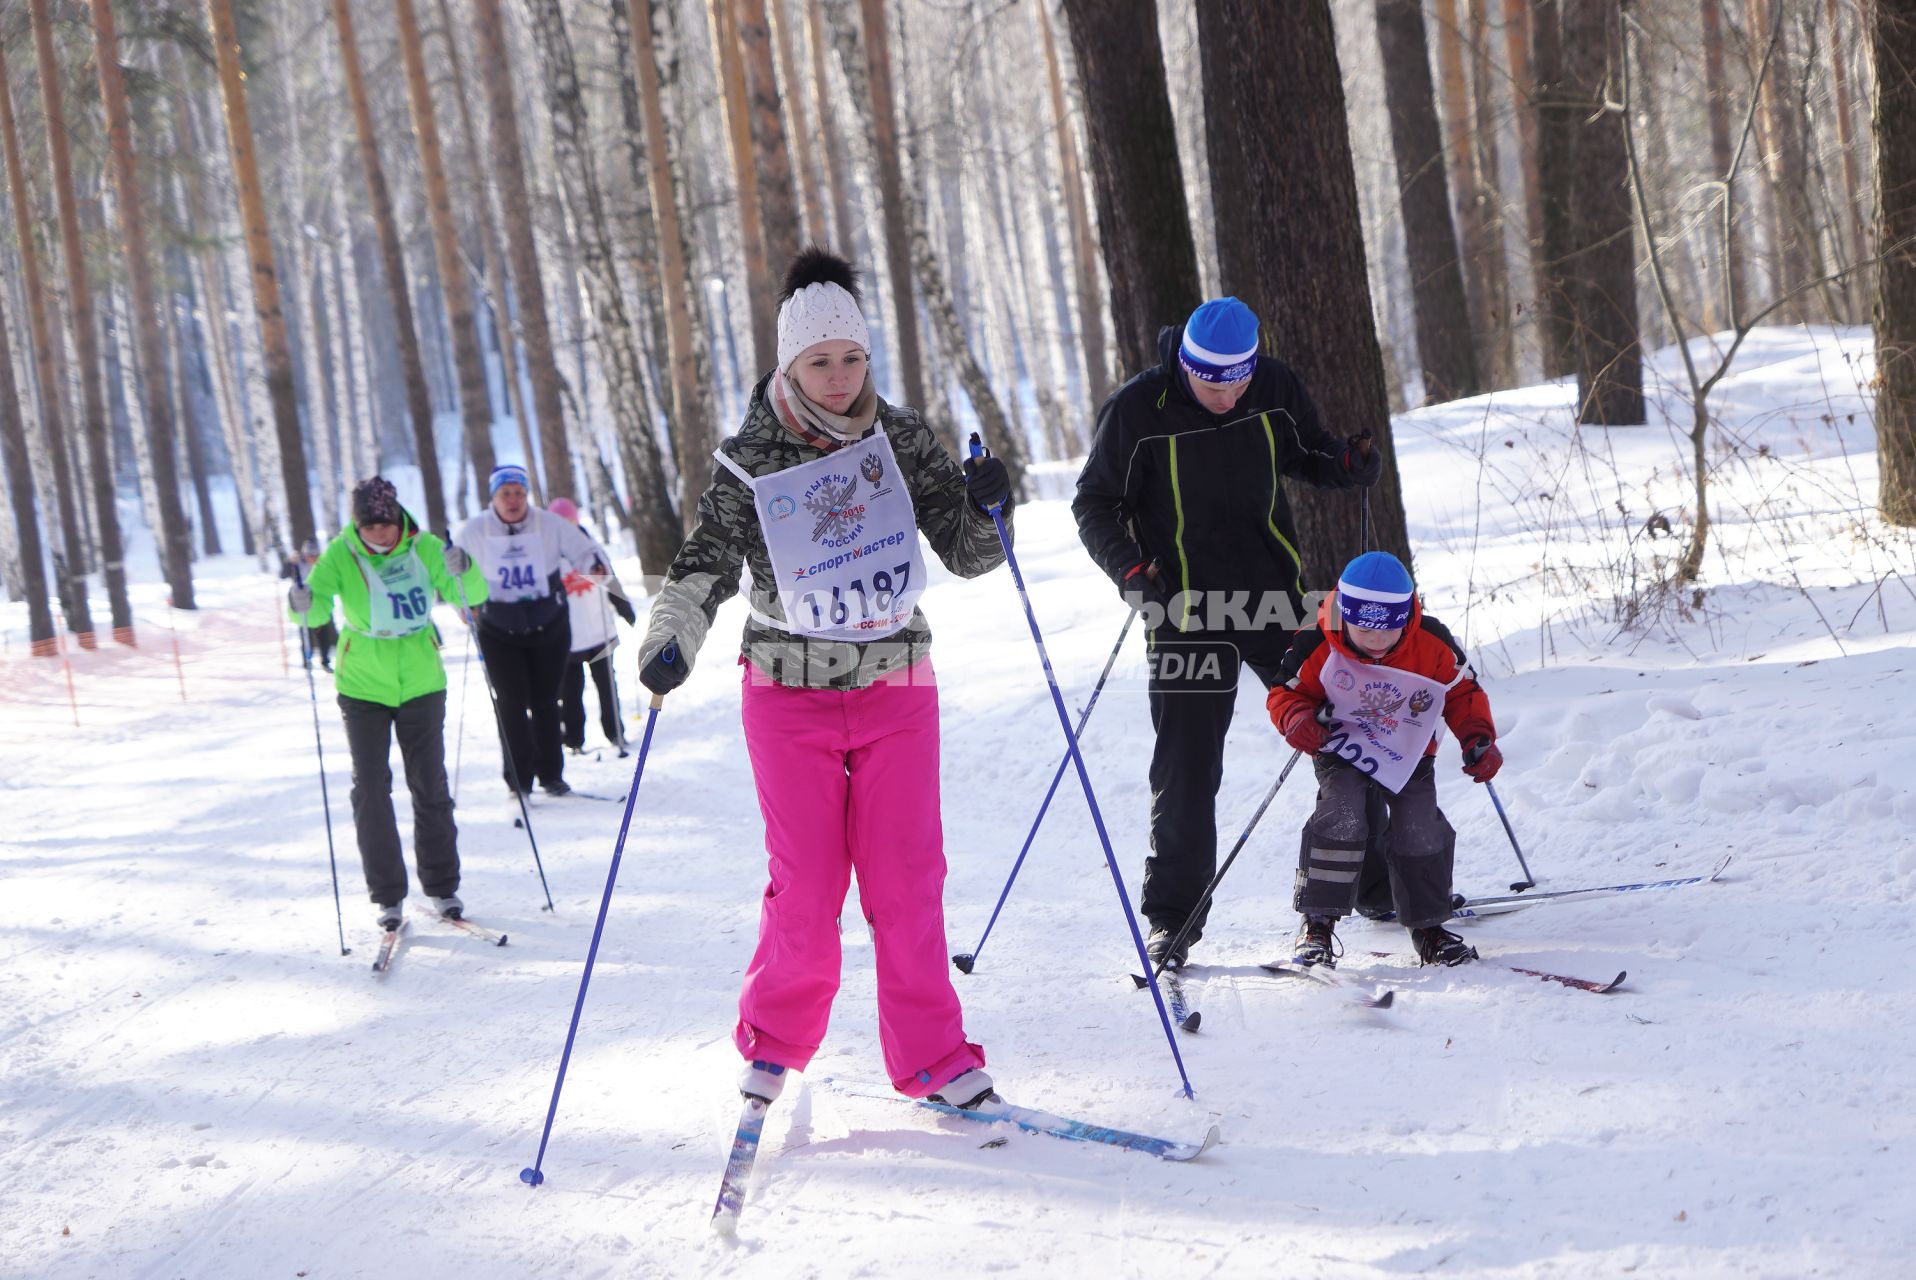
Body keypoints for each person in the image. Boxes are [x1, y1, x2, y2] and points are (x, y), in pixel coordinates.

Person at [636, 246, 1012, 1111]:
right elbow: (701, 565)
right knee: (806, 884)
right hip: (787, 692)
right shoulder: (749, 457)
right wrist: (672, 639)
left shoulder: (903, 437)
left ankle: (936, 1056)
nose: (839, 377)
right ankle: (773, 1043)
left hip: (895, 683)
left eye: (852, 359)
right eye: (819, 361)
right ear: (788, 363)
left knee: (908, 878)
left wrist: (995, 501)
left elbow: (967, 552)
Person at [1071, 296, 1382, 970]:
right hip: (1185, 612)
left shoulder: (1273, 388)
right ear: (1185, 365)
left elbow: (1310, 454)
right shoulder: (1138, 411)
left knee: (1345, 731)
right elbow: (1094, 503)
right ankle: (1173, 922)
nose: (1227, 392)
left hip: (1274, 601)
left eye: (1238, 378)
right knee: (1187, 768)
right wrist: (1130, 571)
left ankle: (1379, 884)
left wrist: (1347, 462)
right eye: (1212, 381)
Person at [1265, 551, 1501, 967]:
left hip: (1408, 752)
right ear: (1345, 613)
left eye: (1387, 632)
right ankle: (1318, 924)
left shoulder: (1432, 641)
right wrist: (1297, 719)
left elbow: (1463, 693)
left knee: (1418, 822)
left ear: (1405, 618)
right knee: (1342, 814)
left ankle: (1429, 928)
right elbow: (1285, 693)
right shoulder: (1317, 641)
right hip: (1341, 748)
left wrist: (1477, 738)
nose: (1375, 642)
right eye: (1364, 630)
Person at [287, 476, 488, 930]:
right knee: (371, 787)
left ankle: (442, 887)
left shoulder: (426, 547)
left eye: (385, 522)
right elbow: (315, 609)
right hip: (362, 683)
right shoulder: (341, 552)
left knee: (429, 784)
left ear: (398, 517)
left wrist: (466, 568)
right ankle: (388, 895)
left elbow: (470, 596)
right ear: (356, 525)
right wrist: (299, 603)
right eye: (368, 525)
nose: (378, 532)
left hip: (420, 677)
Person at [454, 465, 605, 798]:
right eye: (506, 493)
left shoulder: (547, 523)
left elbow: (584, 550)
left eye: (519, 493)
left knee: (547, 701)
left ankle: (551, 775)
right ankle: (518, 780)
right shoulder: (475, 529)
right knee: (510, 702)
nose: (513, 500)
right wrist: (461, 604)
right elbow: (454, 573)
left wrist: (593, 567)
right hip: (498, 628)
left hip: (548, 624)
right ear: (493, 497)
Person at [547, 497, 636, 755]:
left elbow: (610, 580)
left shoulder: (591, 548)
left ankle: (614, 731)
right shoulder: (549, 555)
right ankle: (574, 738)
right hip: (568, 638)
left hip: (600, 631)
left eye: (569, 521)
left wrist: (623, 607)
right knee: (571, 692)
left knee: (608, 686)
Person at [281, 538, 337, 671]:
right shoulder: (298, 564)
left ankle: (325, 661)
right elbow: (283, 575)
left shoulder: (323, 564)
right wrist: (289, 562)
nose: (312, 558)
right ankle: (307, 661)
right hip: (302, 604)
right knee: (305, 635)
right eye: (309, 556)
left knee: (324, 635)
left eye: (315, 555)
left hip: (321, 605)